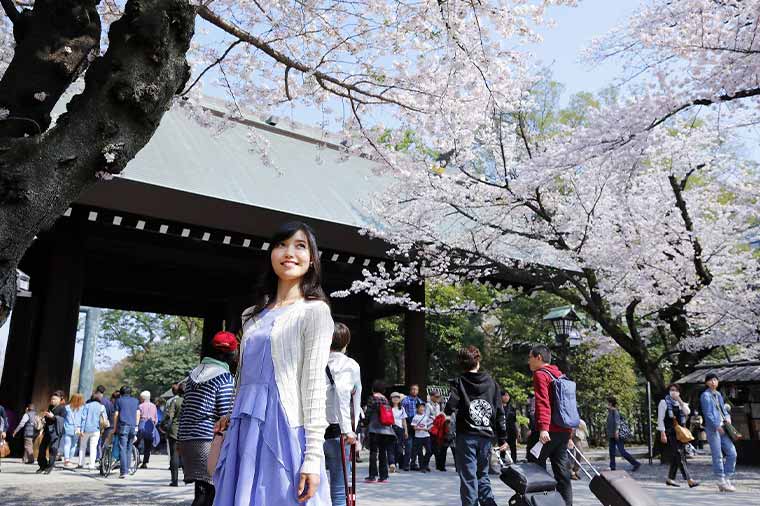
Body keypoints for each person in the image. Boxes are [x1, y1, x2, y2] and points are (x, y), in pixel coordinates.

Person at [212, 221, 334, 506]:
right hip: (244, 424)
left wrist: (313, 457)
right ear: (271, 254)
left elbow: (315, 385)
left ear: (312, 259)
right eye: (282, 244)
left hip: (284, 427)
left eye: (300, 246)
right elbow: (243, 375)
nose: (289, 252)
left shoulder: (314, 311)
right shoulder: (251, 316)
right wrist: (230, 413)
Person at [444, 345, 507, 506]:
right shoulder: (492, 384)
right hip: (486, 436)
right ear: (477, 361)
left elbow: (450, 407)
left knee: (468, 476)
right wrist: (503, 439)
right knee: (483, 475)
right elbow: (500, 413)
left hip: (466, 436)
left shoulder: (459, 382)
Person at [179, 331, 236, 506]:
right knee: (209, 493)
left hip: (187, 439)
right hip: (207, 440)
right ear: (231, 354)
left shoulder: (192, 374)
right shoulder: (224, 377)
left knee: (201, 490)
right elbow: (225, 415)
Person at [528, 345, 572, 506]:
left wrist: (543, 428)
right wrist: (570, 433)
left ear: (538, 357)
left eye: (530, 357)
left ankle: (541, 502)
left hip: (549, 431)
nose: (528, 361)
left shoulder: (540, 375)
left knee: (533, 466)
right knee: (562, 473)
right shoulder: (560, 375)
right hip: (563, 430)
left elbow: (542, 402)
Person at [324, 322, 362, 506]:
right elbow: (347, 395)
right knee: (339, 490)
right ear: (346, 343)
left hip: (311, 431)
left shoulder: (314, 361)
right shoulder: (350, 365)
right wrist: (350, 431)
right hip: (339, 433)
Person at [700, 373, 737, 492]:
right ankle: (720, 479)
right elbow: (708, 413)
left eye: (715, 380)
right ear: (706, 383)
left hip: (724, 427)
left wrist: (727, 417)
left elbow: (723, 409)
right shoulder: (705, 395)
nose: (713, 382)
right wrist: (716, 425)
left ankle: (726, 477)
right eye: (710, 380)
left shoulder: (718, 394)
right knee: (718, 455)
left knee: (732, 453)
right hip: (713, 429)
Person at [657, 383, 698, 488]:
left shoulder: (680, 403)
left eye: (675, 390)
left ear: (679, 392)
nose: (673, 392)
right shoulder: (664, 402)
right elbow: (660, 419)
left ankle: (670, 479)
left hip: (679, 434)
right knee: (679, 455)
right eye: (671, 390)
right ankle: (689, 479)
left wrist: (679, 400)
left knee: (677, 456)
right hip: (669, 432)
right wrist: (662, 433)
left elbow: (687, 412)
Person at [365, 380, 397, 482]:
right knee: (383, 453)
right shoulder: (386, 400)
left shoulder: (372, 398)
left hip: (374, 429)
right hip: (386, 430)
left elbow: (368, 413)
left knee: (373, 452)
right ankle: (383, 476)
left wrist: (364, 423)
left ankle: (372, 475)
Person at [112, 385, 140, 479]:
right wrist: (136, 426)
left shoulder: (119, 401)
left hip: (123, 426)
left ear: (121, 392)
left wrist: (115, 428)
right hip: (133, 426)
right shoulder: (135, 401)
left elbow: (116, 415)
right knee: (129, 448)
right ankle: (127, 469)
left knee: (122, 448)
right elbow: (138, 413)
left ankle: (123, 472)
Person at [607, 396, 640, 472]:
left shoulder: (615, 411)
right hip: (612, 435)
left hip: (617, 434)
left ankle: (636, 463)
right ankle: (612, 467)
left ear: (610, 403)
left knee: (622, 451)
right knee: (611, 452)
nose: (607, 404)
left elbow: (617, 422)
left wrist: (616, 432)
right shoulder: (610, 411)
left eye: (608, 402)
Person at [37, 390, 66, 474]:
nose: (52, 400)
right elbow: (47, 418)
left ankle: (49, 467)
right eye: (52, 399)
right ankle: (42, 466)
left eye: (54, 399)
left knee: (53, 450)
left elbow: (63, 419)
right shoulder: (50, 407)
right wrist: (43, 419)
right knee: (42, 449)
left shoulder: (62, 408)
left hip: (56, 432)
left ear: (60, 399)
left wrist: (53, 417)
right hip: (47, 431)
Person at [162, 382, 184, 487]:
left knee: (174, 455)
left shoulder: (175, 401)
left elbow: (170, 417)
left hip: (175, 431)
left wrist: (164, 426)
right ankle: (187, 477)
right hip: (188, 430)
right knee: (186, 454)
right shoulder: (190, 401)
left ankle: (174, 480)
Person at [79, 392, 107, 470]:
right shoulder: (102, 407)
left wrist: (81, 429)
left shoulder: (87, 406)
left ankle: (81, 463)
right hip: (96, 429)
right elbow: (105, 419)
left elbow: (83, 418)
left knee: (82, 446)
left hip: (86, 429)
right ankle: (92, 464)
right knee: (93, 447)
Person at [400, 383, 423, 471]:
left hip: (417, 426)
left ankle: (414, 463)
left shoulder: (420, 401)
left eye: (416, 389)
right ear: (410, 390)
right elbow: (402, 414)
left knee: (416, 447)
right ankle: (406, 464)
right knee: (408, 446)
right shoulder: (405, 400)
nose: (414, 391)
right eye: (413, 389)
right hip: (409, 424)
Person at [62, 393, 84, 468]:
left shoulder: (67, 407)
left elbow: (64, 418)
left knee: (67, 444)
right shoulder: (82, 408)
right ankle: (70, 460)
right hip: (77, 429)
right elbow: (83, 419)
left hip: (68, 427)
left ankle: (66, 460)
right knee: (74, 445)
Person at [137, 390, 158, 469]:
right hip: (151, 425)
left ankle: (137, 458)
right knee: (148, 445)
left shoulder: (140, 406)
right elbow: (156, 419)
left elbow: (138, 417)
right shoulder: (154, 406)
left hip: (142, 424)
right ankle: (145, 462)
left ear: (143, 398)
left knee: (136, 442)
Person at [411, 402, 432, 473]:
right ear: (417, 409)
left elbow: (430, 425)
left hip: (426, 436)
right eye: (420, 407)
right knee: (419, 452)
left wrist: (429, 428)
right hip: (418, 437)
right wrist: (422, 428)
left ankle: (426, 464)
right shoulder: (415, 417)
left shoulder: (426, 416)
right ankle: (422, 467)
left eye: (423, 407)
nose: (422, 408)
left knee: (429, 451)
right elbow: (414, 427)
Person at [390, 392, 408, 472]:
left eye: (397, 397)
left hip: (400, 429)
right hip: (391, 429)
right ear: (391, 399)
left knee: (399, 448)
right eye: (394, 397)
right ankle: (392, 464)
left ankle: (395, 463)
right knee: (391, 447)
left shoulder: (402, 408)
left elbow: (404, 420)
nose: (396, 399)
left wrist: (406, 431)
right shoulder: (389, 408)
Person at [501, 390, 519, 465]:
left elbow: (515, 421)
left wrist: (518, 431)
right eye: (504, 395)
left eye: (508, 395)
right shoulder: (498, 407)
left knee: (513, 448)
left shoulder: (512, 408)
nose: (506, 397)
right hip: (502, 430)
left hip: (511, 430)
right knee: (502, 447)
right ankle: (502, 462)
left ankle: (514, 462)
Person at [97, 385, 115, 459]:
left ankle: (99, 457)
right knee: (105, 442)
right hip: (108, 425)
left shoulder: (96, 401)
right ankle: (104, 457)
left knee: (98, 442)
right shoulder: (109, 402)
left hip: (99, 424)